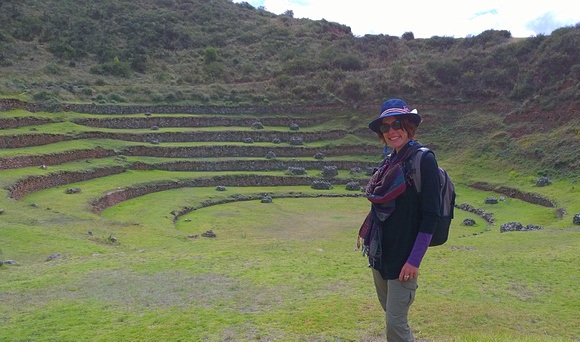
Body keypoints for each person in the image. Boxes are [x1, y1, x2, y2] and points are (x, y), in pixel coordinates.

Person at [357, 98, 441, 341]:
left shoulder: (424, 160)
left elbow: (430, 215)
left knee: (395, 324)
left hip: (404, 259)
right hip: (381, 254)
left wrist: (414, 261)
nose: (392, 131)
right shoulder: (389, 162)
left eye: (397, 124)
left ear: (408, 126)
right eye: (385, 127)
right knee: (392, 317)